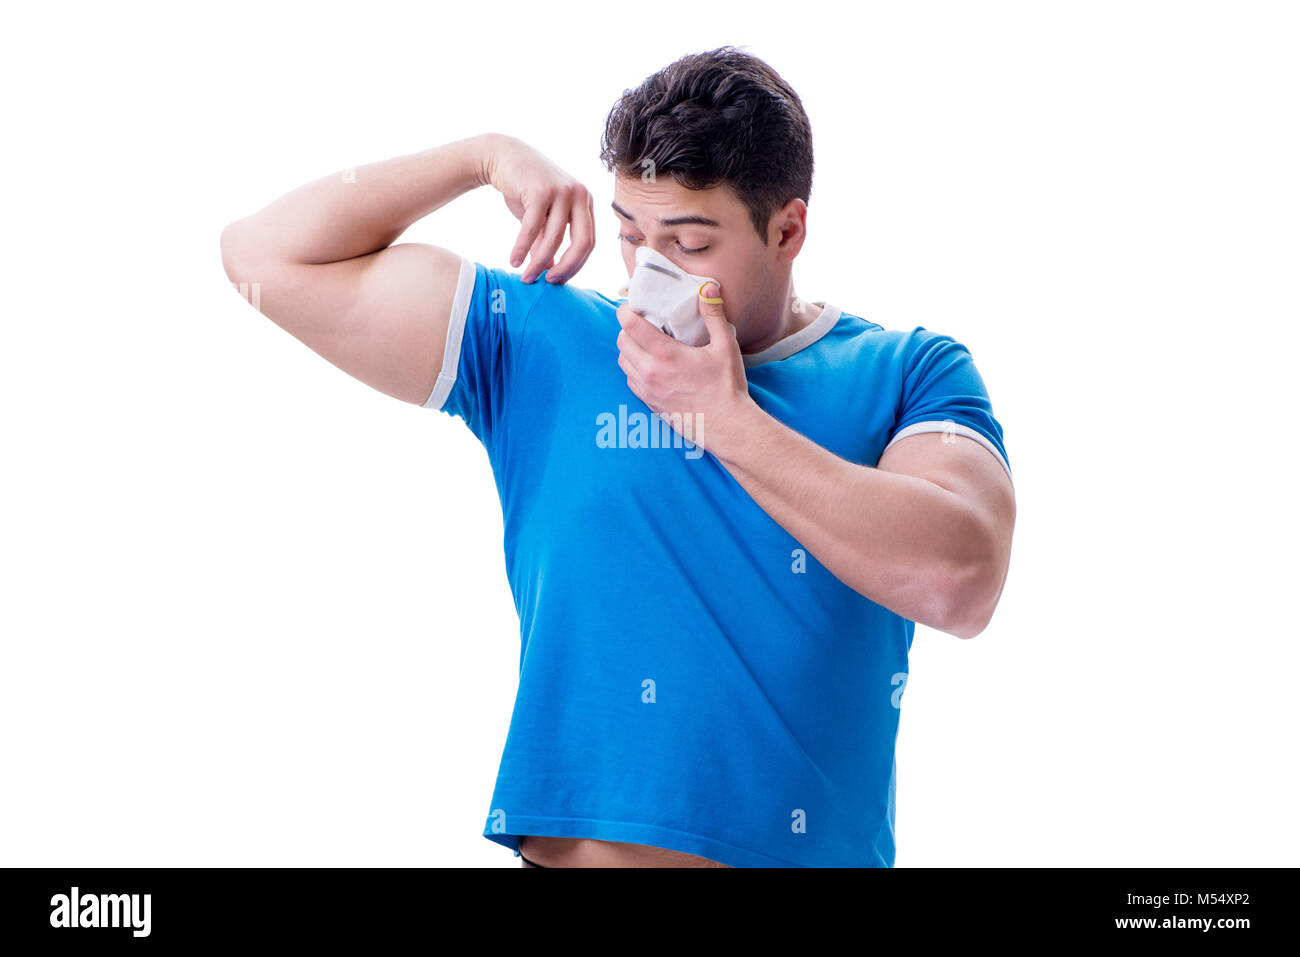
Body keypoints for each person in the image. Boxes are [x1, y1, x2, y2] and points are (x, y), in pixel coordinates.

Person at [219, 45, 1016, 868]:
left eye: (691, 243)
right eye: (634, 236)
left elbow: (960, 580)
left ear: (788, 229)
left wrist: (725, 420)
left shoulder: (907, 372)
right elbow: (262, 259)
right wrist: (481, 155)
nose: (652, 276)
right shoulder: (544, 341)